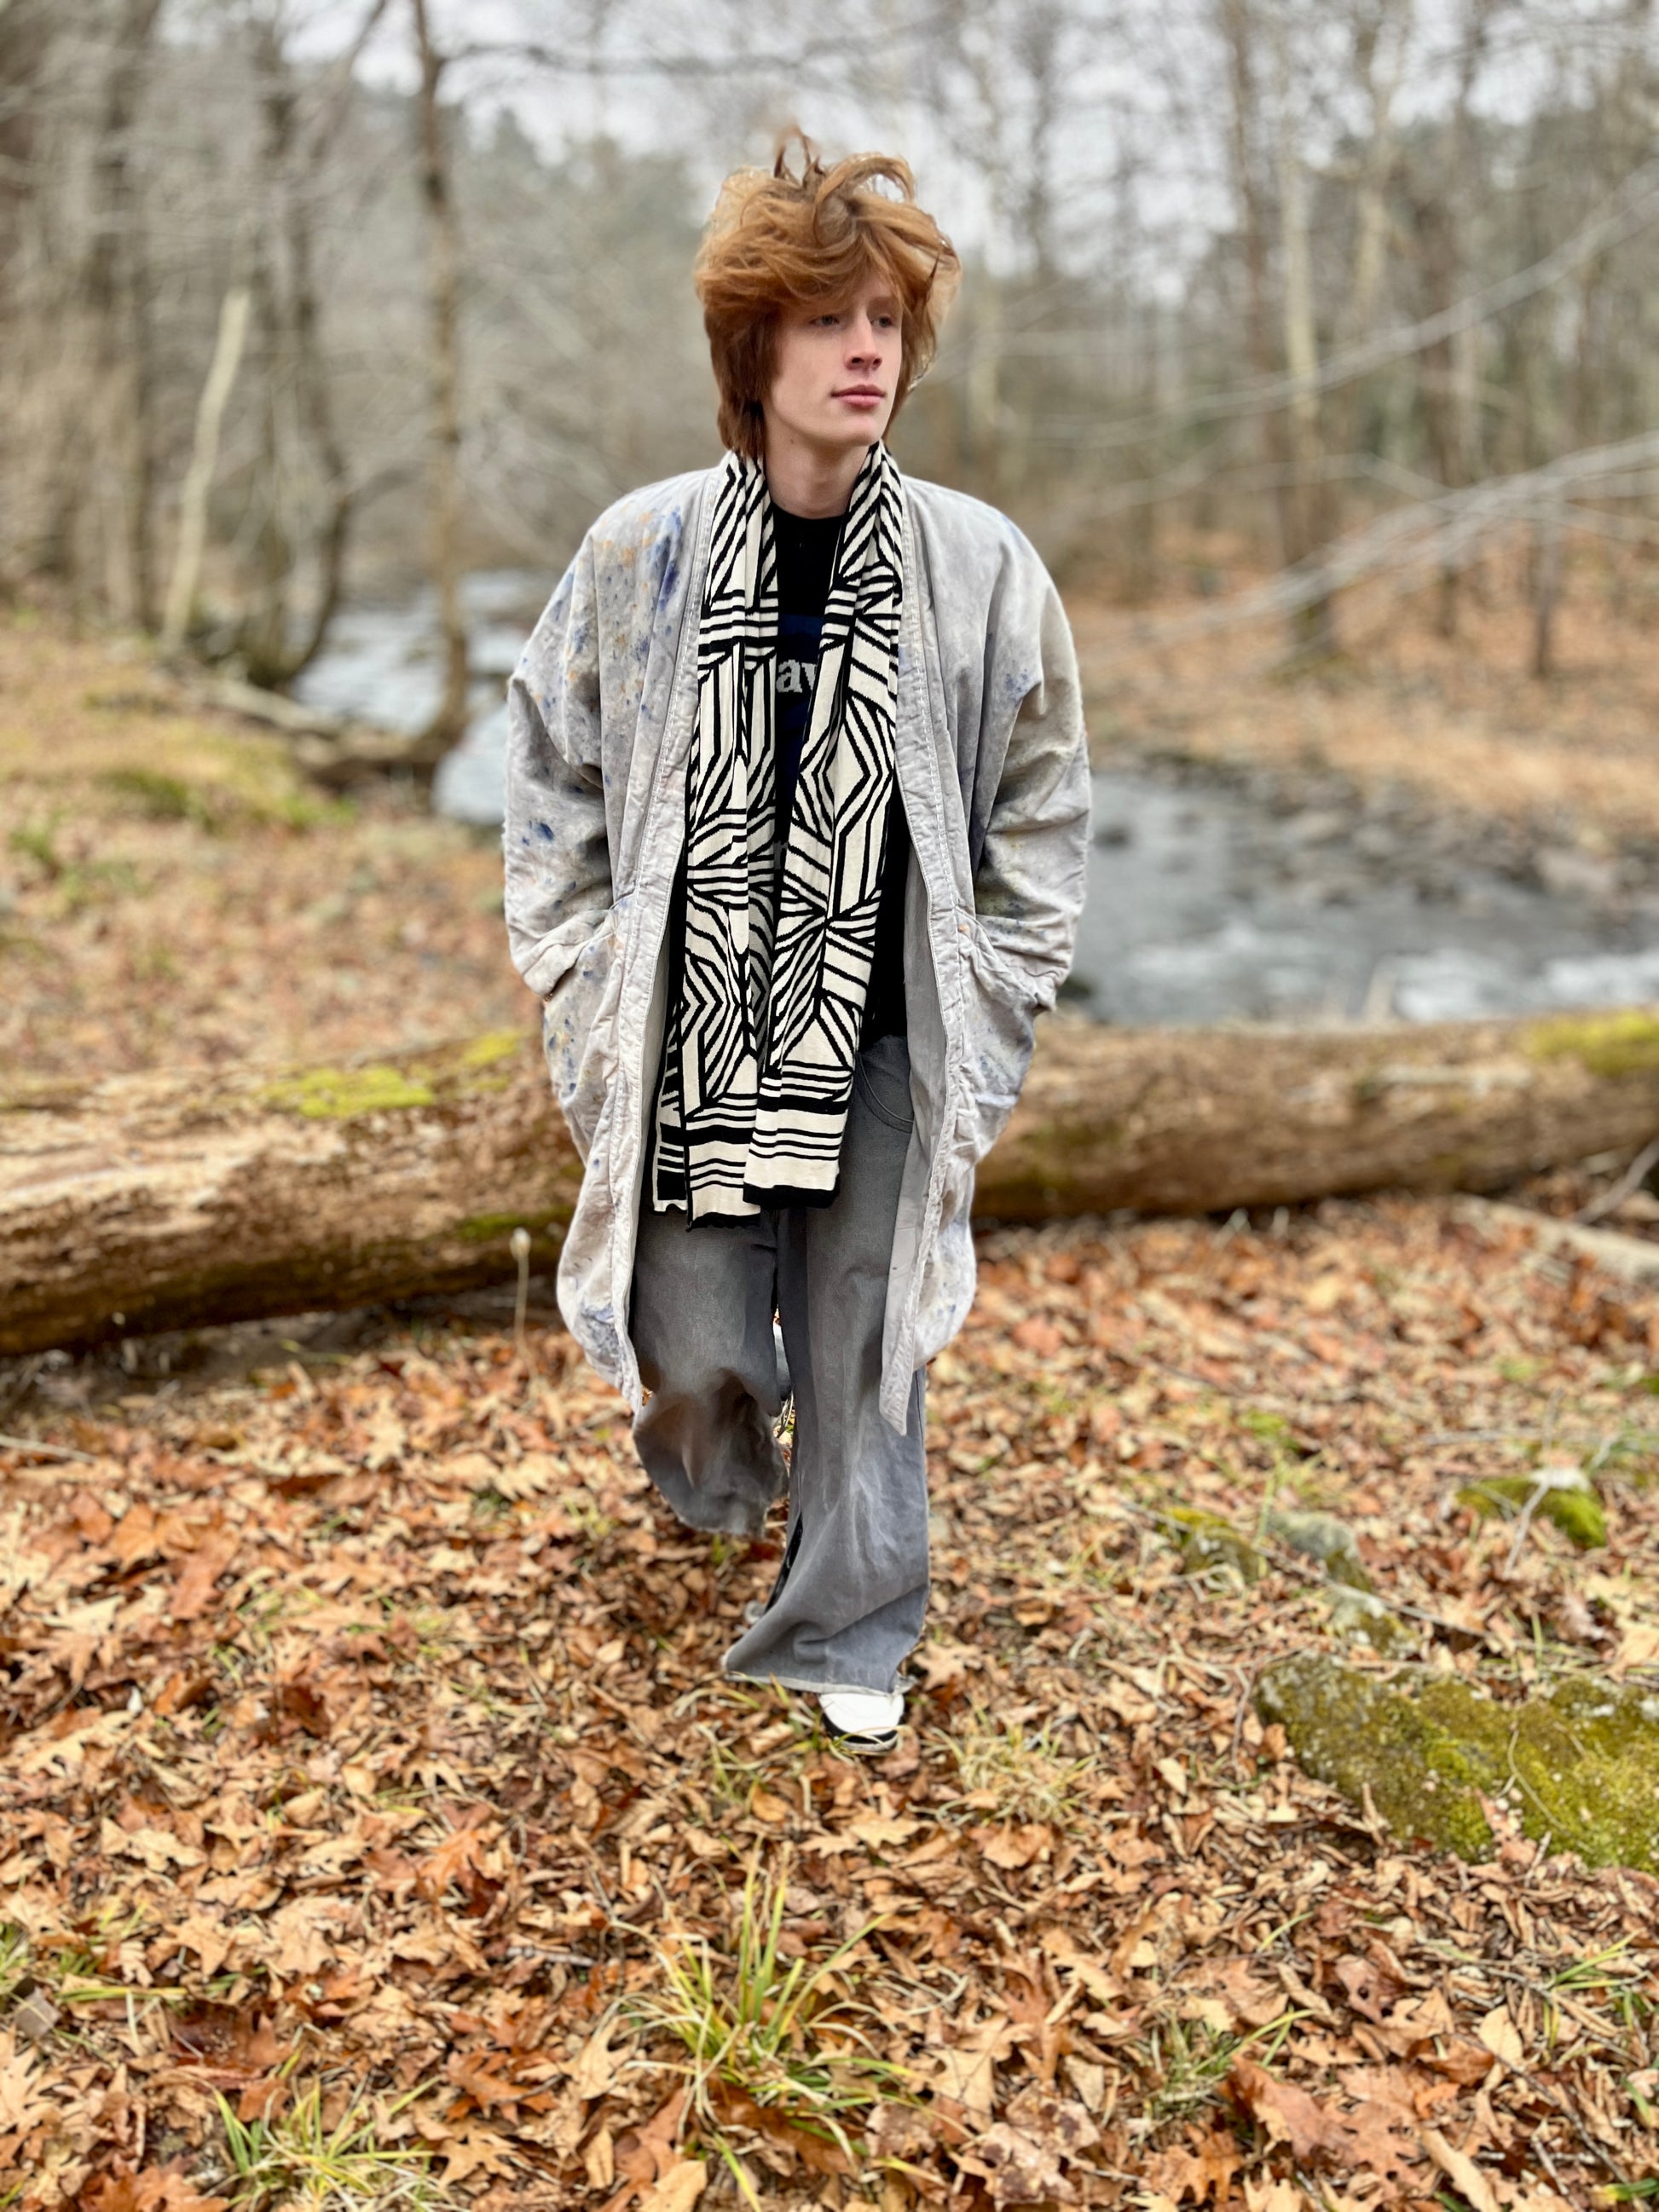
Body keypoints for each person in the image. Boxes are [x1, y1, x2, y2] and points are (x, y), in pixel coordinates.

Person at [502, 136, 1090, 1754]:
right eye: (830, 321)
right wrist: (573, 966)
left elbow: (1043, 799)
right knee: (689, 1351)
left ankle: (849, 1621)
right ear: (751, 350)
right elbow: (550, 762)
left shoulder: (978, 567)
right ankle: (720, 1469)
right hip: (689, 1037)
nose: (865, 354)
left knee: (863, 1335)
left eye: (889, 325)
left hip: (890, 1027)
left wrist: (1006, 981)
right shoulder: (643, 549)